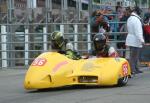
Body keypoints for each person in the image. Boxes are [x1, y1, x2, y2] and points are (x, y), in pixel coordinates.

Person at [126, 6, 145, 74]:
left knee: (134, 55)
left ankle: (135, 68)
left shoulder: (130, 18)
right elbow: (138, 31)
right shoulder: (136, 20)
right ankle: (133, 69)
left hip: (132, 39)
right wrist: (142, 40)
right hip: (135, 40)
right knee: (134, 56)